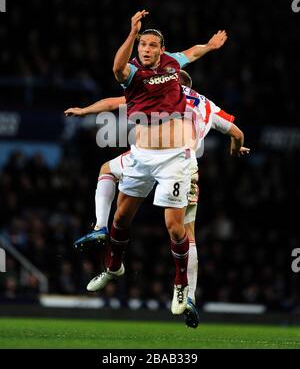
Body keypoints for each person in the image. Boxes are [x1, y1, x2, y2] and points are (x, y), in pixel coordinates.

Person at [68, 10, 228, 316]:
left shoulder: (172, 65)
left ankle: (181, 285)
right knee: (121, 220)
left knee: (174, 227)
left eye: (152, 45)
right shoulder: (131, 75)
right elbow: (116, 70)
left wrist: (209, 46)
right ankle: (113, 267)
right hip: (141, 156)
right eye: (143, 44)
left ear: (161, 49)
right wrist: (131, 32)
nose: (147, 49)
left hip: (174, 158)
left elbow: (191, 52)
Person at [65, 78, 250, 328]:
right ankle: (180, 292)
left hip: (179, 164)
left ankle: (183, 290)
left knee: (176, 228)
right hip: (149, 156)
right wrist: (236, 148)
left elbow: (114, 102)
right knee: (163, 225)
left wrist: (85, 110)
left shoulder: (163, 93)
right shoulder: (207, 105)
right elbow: (236, 132)